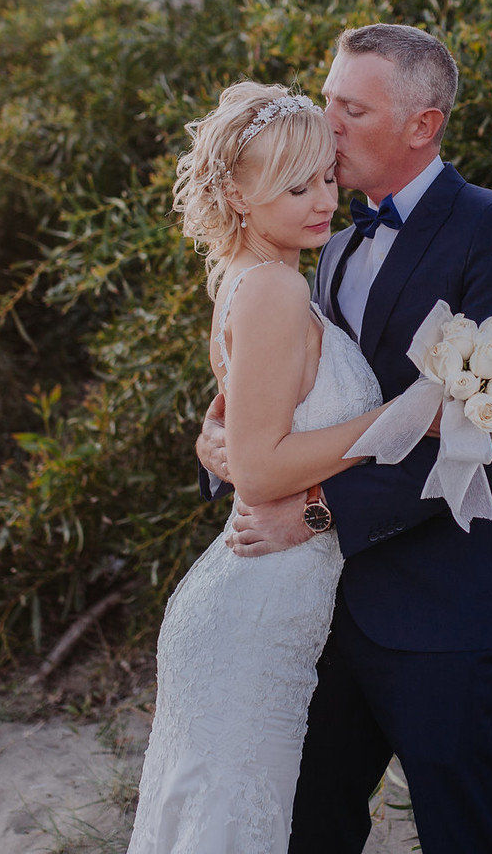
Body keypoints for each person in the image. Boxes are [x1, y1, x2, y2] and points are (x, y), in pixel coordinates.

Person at [198, 24, 492, 854]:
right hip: (324, 614)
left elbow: (483, 431)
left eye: (351, 109)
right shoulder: (326, 237)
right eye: (327, 99)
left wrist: (317, 513)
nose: (327, 123)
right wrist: (220, 447)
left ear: (421, 125)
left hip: (450, 614)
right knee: (306, 829)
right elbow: (286, 390)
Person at [128, 82, 390, 854]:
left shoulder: (253, 278)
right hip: (254, 616)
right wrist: (399, 421)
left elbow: (232, 434)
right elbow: (259, 469)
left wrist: (217, 444)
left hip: (257, 603)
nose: (322, 202)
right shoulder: (274, 288)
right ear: (237, 194)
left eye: (326, 178)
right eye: (295, 186)